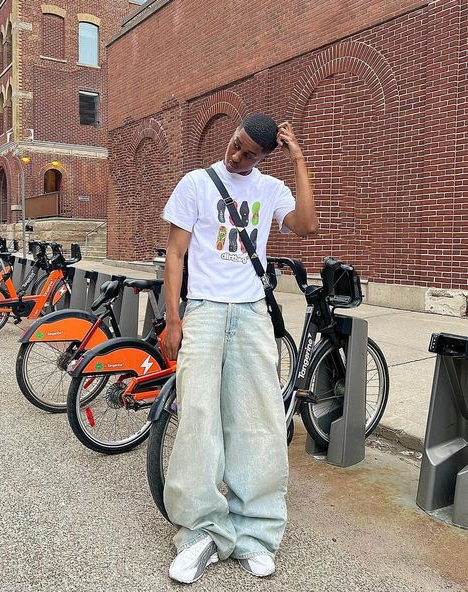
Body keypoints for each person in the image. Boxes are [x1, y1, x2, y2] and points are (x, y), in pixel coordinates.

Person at [161, 114, 318, 584]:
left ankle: (256, 533)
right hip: (205, 310)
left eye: (249, 153)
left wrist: (299, 159)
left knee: (259, 420)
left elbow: (307, 224)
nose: (237, 155)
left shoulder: (270, 190)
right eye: (236, 145)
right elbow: (175, 254)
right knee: (199, 419)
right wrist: (174, 318)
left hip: (251, 312)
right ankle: (200, 533)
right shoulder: (196, 183)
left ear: (264, 157)